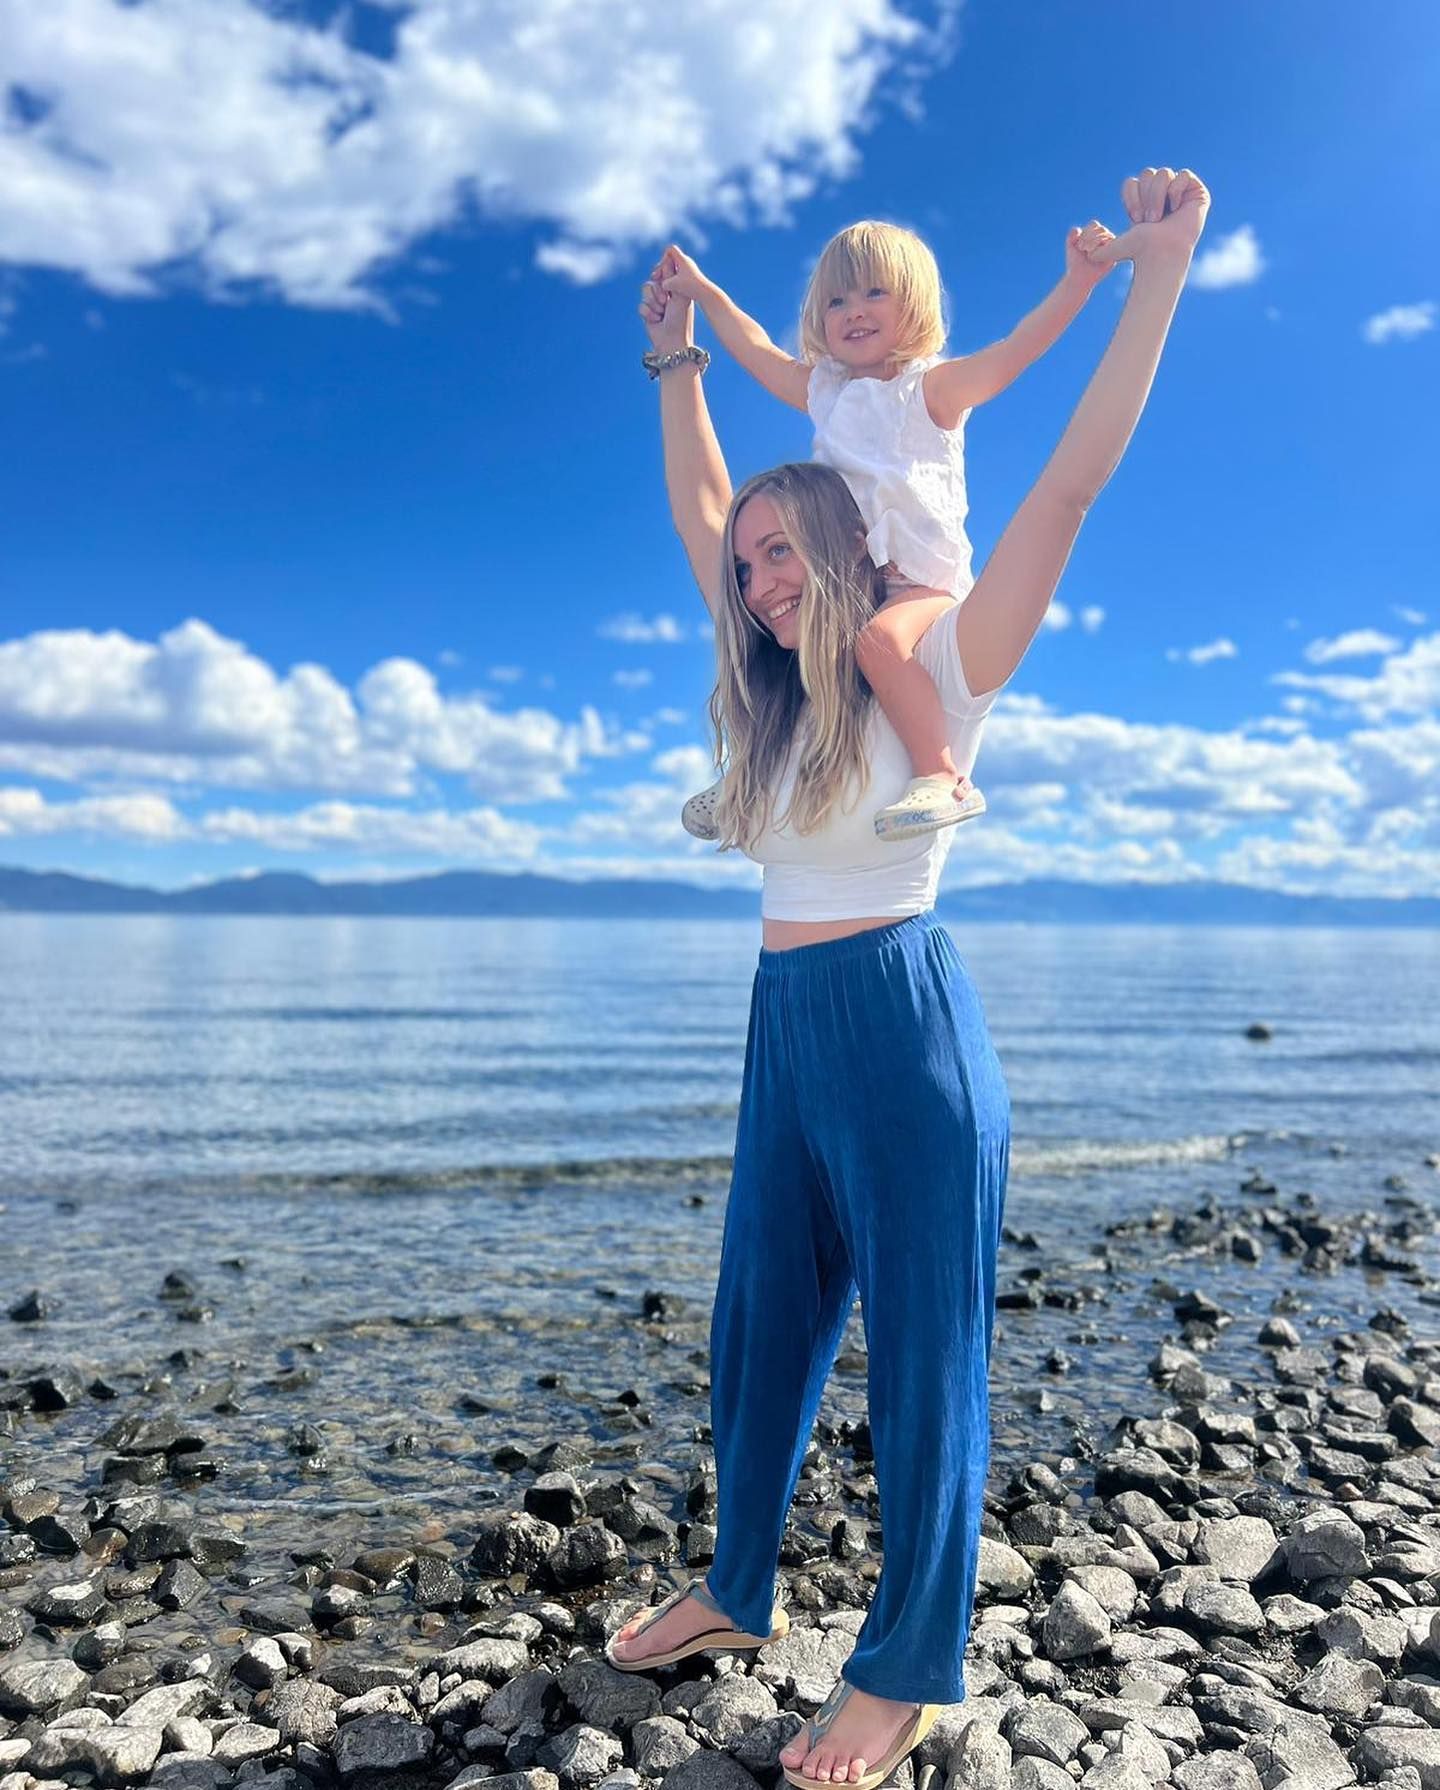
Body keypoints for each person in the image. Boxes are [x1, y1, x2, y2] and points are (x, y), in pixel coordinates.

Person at [606, 168, 1211, 1790]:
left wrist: (1153, 276)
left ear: (851, 544)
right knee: (758, 1331)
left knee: (924, 1360)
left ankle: (909, 1668)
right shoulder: (780, 705)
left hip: (902, 1021)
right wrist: (676, 358)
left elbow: (1070, 484)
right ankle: (737, 1590)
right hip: (784, 1024)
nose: (760, 574)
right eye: (751, 565)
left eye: (788, 552)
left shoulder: (937, 661)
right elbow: (698, 506)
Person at [658, 213, 1114, 846]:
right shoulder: (826, 392)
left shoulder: (931, 390)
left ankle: (942, 775)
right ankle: (749, 779)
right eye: (837, 300)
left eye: (875, 292)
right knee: (781, 664)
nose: (854, 311)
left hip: (920, 582)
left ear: (915, 303)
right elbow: (759, 351)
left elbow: (1014, 352)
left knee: (876, 646)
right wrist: (705, 296)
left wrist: (1078, 285)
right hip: (849, 580)